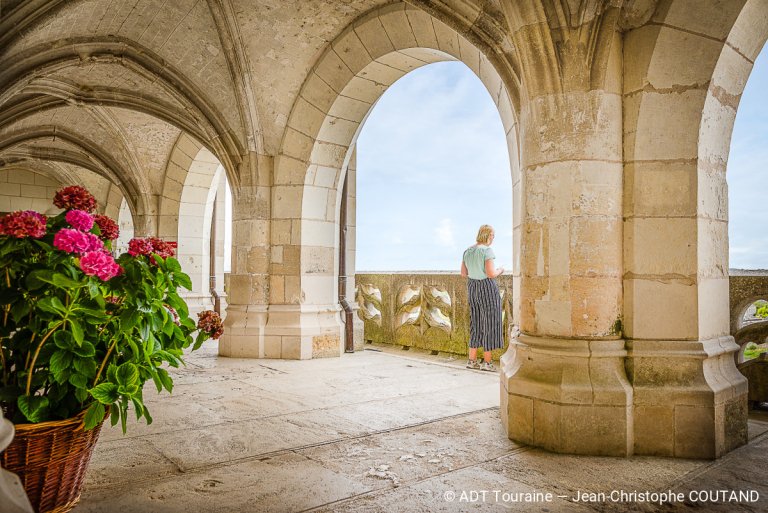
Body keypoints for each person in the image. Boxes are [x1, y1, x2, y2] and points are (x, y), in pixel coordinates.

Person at [460, 224, 504, 371]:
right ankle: (487, 363)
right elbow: (491, 273)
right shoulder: (487, 250)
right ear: (488, 235)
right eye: (492, 236)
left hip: (472, 287)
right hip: (487, 288)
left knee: (476, 323)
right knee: (489, 324)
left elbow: (463, 273)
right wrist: (501, 270)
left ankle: (471, 361)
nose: (493, 239)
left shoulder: (468, 251)